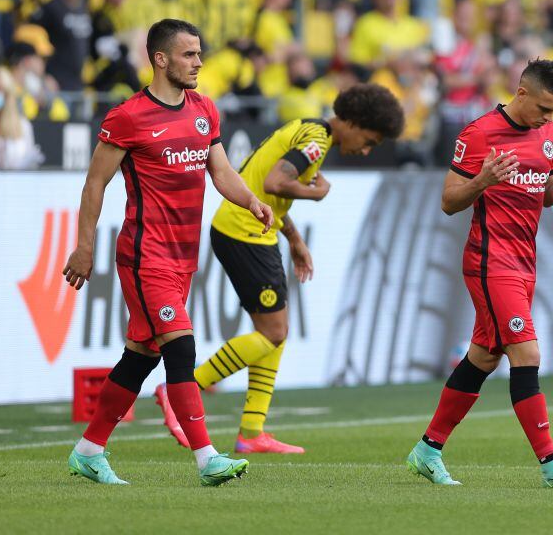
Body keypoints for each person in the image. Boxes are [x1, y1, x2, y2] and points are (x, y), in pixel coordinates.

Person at [62, 19, 274, 486]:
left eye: (199, 53)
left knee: (141, 355)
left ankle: (88, 450)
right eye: (188, 54)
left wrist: (251, 200)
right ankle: (207, 458)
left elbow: (220, 171)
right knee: (181, 346)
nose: (198, 61)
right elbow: (95, 183)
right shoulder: (128, 116)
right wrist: (83, 246)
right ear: (160, 59)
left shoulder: (203, 109)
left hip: (183, 258)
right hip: (144, 255)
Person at [155, 83, 405, 453]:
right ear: (353, 122)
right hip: (245, 233)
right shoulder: (317, 139)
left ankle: (252, 432)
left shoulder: (309, 128)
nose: (366, 149)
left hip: (253, 230)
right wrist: (315, 193)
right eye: (369, 139)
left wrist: (295, 239)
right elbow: (276, 182)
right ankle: (183, 386)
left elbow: (266, 188)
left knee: (275, 331)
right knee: (274, 331)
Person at [406, 59, 553, 488]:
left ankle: (427, 449)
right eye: (543, 108)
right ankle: (552, 464)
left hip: (524, 263)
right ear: (521, 93)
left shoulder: (548, 135)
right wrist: (481, 180)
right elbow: (448, 201)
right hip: (489, 261)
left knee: (484, 356)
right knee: (527, 354)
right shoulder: (479, 134)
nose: (548, 118)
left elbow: (546, 193)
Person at [29, 0, 93, 92]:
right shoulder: (50, 9)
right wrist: (42, 76)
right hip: (54, 84)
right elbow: (29, 42)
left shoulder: (85, 9)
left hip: (78, 83)